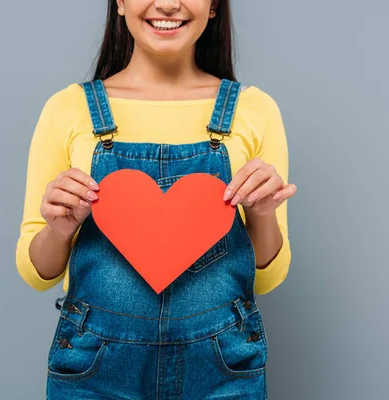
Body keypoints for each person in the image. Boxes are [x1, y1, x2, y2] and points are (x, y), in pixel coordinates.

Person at [15, 0, 297, 398]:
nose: (167, 3)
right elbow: (35, 273)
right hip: (96, 367)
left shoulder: (254, 110)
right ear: (120, 3)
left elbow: (267, 277)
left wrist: (263, 214)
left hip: (221, 366)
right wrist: (60, 230)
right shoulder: (68, 110)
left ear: (214, 6)